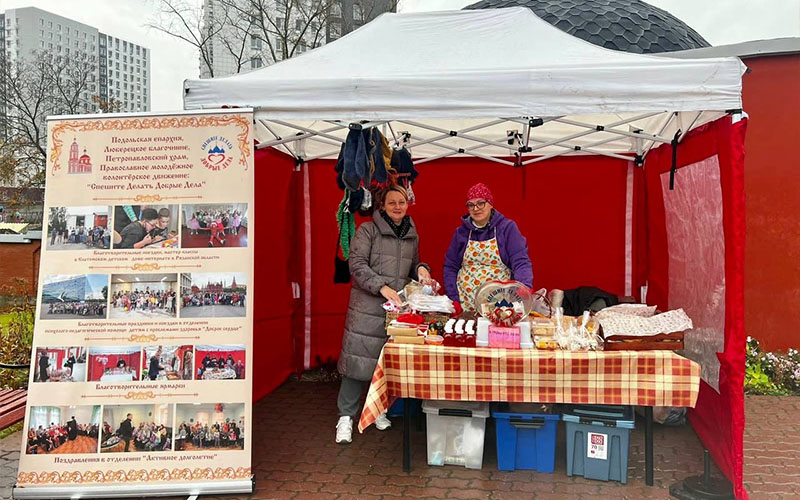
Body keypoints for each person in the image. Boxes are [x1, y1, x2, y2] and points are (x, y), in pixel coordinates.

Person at [335, 185, 432, 444]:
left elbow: (414, 265)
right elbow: (356, 265)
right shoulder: (368, 230)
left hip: (395, 310)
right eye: (392, 203)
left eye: (402, 202)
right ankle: (345, 418)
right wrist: (381, 286)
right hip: (366, 307)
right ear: (382, 206)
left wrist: (422, 270)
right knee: (357, 364)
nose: (398, 206)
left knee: (386, 362)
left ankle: (379, 410)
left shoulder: (411, 233)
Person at [444, 183, 533, 313]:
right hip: (465, 305)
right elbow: (450, 266)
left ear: (490, 204)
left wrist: (524, 288)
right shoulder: (461, 233)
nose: (476, 208)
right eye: (471, 205)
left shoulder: (507, 228)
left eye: (481, 203)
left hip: (500, 307)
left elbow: (520, 261)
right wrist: (454, 299)